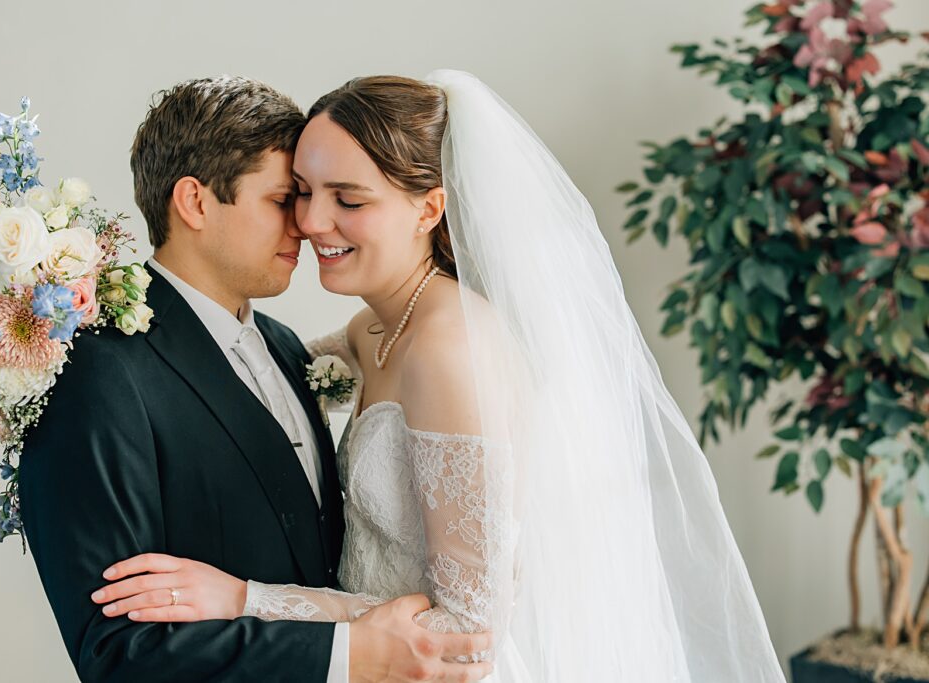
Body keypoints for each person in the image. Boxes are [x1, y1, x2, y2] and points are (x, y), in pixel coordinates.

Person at [94, 71, 788, 681]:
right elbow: (225, 374)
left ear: (429, 207)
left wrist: (244, 598)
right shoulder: (373, 329)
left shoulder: (453, 348)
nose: (311, 222)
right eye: (301, 193)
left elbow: (468, 630)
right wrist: (65, 317)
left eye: (349, 199)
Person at [19, 75, 492, 683]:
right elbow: (116, 654)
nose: (308, 223)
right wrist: (349, 654)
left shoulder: (289, 348)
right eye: (285, 198)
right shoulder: (98, 368)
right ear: (195, 202)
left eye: (324, 197)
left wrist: (253, 599)